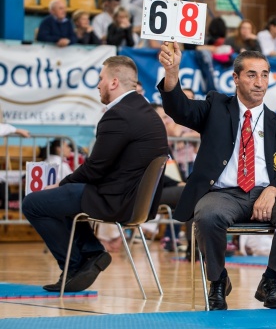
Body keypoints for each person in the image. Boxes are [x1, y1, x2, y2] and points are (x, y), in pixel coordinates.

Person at [157, 45, 276, 310]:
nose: (259, 82)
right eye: (251, 75)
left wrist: (273, 191)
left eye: (264, 75)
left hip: (266, 194)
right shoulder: (216, 106)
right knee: (207, 215)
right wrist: (172, 73)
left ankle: (272, 281)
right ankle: (217, 281)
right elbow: (180, 110)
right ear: (235, 78)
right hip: (223, 194)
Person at [22, 55, 168, 292]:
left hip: (117, 200)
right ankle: (91, 253)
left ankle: (75, 264)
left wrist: (60, 184)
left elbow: (95, 168)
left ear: (113, 82)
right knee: (63, 200)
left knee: (33, 203)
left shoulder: (119, 114)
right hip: (136, 201)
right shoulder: (146, 111)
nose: (98, 84)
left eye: (101, 79)